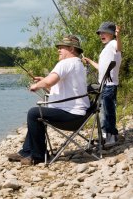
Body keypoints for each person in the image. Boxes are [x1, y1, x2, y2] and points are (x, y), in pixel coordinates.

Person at [8, 35, 90, 165]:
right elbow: (60, 90)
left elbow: (50, 81)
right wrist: (44, 83)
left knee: (33, 113)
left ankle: (38, 155)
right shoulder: (78, 64)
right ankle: (27, 151)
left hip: (71, 116)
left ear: (71, 48)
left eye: (62, 47)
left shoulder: (66, 63)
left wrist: (38, 85)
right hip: (78, 115)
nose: (58, 50)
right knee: (38, 114)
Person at [83, 22, 122, 146]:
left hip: (109, 86)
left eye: (104, 32)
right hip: (103, 85)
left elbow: (119, 47)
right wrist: (89, 61)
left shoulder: (113, 44)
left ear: (112, 34)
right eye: (100, 33)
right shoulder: (106, 49)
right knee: (104, 111)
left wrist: (118, 36)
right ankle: (106, 134)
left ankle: (112, 136)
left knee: (109, 111)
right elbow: (101, 68)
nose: (101, 35)